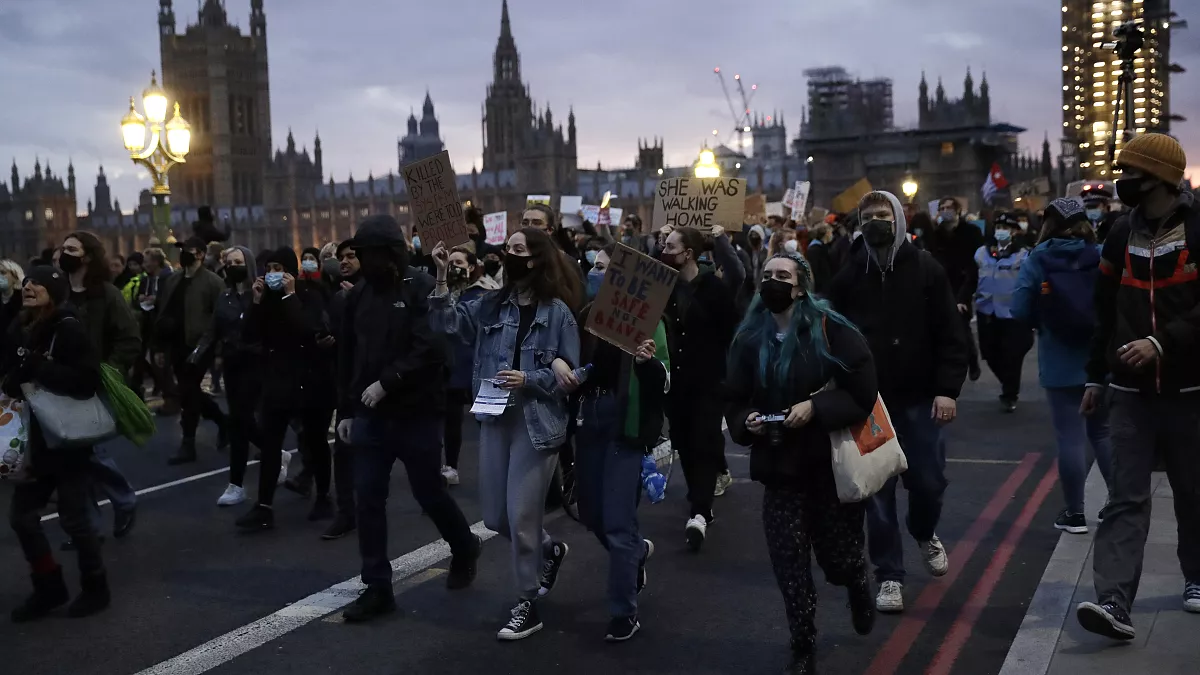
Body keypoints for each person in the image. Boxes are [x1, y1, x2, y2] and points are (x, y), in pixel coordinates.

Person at [727, 252, 877, 673]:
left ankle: (857, 581)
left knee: (838, 560)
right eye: (767, 275)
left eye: (783, 276)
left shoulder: (831, 330)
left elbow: (862, 391)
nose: (773, 282)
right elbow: (734, 397)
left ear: (800, 286)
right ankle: (803, 643)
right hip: (779, 468)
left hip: (828, 467)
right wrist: (744, 421)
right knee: (789, 562)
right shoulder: (749, 337)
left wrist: (815, 407)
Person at [1076, 133, 1200, 639]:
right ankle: (1114, 602)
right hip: (1129, 393)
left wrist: (1162, 342)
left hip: (1191, 391)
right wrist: (1094, 374)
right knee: (1125, 497)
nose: (1122, 181)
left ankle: (1196, 576)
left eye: (1132, 171)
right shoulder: (1118, 233)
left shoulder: (1199, 228)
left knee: (1193, 492)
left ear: (1161, 178)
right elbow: (1103, 311)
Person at [429, 227, 581, 641]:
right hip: (496, 418)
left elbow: (576, 372)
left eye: (516, 249)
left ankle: (526, 602)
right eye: (507, 248)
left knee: (522, 515)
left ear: (534, 259)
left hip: (538, 423)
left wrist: (530, 378)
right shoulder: (490, 306)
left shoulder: (558, 314)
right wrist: (442, 276)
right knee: (496, 517)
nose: (507, 254)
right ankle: (549, 550)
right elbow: (448, 327)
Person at [827, 190, 968, 614]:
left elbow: (951, 334)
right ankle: (889, 575)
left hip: (920, 397)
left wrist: (948, 388)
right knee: (878, 493)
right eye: (867, 216)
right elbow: (830, 329)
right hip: (870, 402)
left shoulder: (926, 269)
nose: (875, 222)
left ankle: (924, 531)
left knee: (928, 482)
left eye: (882, 215)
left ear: (899, 219)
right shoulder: (849, 274)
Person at [336, 215, 480, 622]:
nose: (363, 261)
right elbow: (348, 356)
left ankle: (464, 544)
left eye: (369, 254)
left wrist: (388, 382)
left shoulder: (420, 288)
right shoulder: (358, 297)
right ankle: (377, 585)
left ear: (390, 254)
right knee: (368, 497)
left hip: (415, 411)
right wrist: (346, 409)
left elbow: (430, 346)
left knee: (428, 492)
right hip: (371, 416)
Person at [573, 242, 668, 643]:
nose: (597, 274)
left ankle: (623, 611)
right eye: (593, 266)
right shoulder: (583, 317)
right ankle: (633, 554)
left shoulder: (650, 323)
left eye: (605, 269)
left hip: (622, 427)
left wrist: (646, 363)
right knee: (591, 514)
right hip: (588, 421)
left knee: (615, 522)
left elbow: (662, 382)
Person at [5, 266, 110, 620]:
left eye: (37, 282)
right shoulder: (24, 327)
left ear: (54, 289)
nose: (28, 286)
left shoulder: (68, 327)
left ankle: (96, 587)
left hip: (66, 440)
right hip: (34, 440)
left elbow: (86, 381)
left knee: (75, 519)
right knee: (21, 517)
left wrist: (36, 366)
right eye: (26, 282)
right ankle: (48, 585)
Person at [1011, 198, 1112, 535]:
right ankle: (1118, 504)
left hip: (1058, 360)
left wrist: (1045, 318)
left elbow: (1019, 309)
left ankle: (1075, 513)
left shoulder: (1038, 258)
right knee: (1102, 433)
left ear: (1048, 224)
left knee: (1070, 439)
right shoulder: (1099, 254)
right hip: (1099, 359)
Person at [234, 247, 336, 529]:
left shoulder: (308, 295)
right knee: (271, 445)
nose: (272, 274)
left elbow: (308, 329)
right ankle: (264, 506)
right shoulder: (265, 300)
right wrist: (255, 302)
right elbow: (249, 335)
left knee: (315, 441)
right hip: (277, 379)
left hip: (309, 378)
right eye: (269, 268)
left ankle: (324, 495)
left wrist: (290, 296)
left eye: (278, 268)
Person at [55, 233, 142, 544]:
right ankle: (88, 525)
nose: (63, 253)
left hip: (94, 383)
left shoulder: (106, 294)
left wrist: (109, 372)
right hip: (60, 383)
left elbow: (130, 338)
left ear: (88, 256)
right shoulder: (59, 292)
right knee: (72, 456)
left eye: (71, 249)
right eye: (62, 249)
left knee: (90, 451)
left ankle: (122, 501)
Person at [658, 226, 740, 550]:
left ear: (688, 253)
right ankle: (698, 497)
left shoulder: (714, 290)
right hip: (674, 383)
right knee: (683, 442)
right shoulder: (662, 288)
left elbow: (731, 332)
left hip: (707, 380)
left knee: (704, 440)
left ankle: (700, 511)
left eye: (670, 246)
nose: (665, 250)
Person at [194, 247, 264, 507]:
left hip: (256, 364)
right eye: (229, 261)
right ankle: (270, 456)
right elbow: (213, 330)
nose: (233, 266)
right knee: (239, 422)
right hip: (233, 366)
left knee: (239, 421)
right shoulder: (224, 297)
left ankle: (237, 483)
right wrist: (196, 355)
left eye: (238, 261)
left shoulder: (260, 293)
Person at [154, 236, 228, 464]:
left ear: (201, 254)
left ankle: (188, 444)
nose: (184, 252)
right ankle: (223, 422)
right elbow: (162, 313)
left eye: (190, 249)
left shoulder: (213, 282)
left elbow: (222, 318)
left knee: (187, 391)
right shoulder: (173, 280)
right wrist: (159, 347)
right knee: (190, 390)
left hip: (200, 345)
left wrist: (218, 351)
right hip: (176, 344)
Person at [442, 247, 501, 485]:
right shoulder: (443, 292)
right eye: (450, 262)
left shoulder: (485, 293)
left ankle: (494, 467)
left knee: (484, 420)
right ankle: (451, 466)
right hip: (452, 365)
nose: (454, 266)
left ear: (471, 266)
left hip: (477, 365)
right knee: (451, 420)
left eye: (458, 262)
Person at [973, 213, 1034, 412]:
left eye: (1005, 228)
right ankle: (1007, 381)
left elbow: (1030, 283)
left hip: (1012, 313)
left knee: (1012, 355)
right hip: (986, 311)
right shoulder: (982, 252)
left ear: (1015, 232)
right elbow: (972, 277)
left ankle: (1010, 393)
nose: (1000, 231)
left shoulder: (1023, 254)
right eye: (998, 226)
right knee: (990, 354)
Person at [322, 239, 362, 541]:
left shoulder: (382, 293)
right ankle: (347, 512)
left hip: (384, 386)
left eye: (350, 256)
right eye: (341, 257)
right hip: (348, 385)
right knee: (344, 451)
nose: (344, 261)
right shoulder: (338, 298)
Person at [924, 197, 984, 381]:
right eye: (941, 208)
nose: (944, 210)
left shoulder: (971, 231)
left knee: (961, 326)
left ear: (958, 210)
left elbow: (977, 261)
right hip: (942, 283)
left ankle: (972, 362)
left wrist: (964, 295)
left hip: (964, 282)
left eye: (948, 207)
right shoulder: (936, 234)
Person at [805, 224, 836, 295]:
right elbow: (815, 270)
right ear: (826, 234)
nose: (832, 235)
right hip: (819, 288)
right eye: (830, 232)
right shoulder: (815, 249)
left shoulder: (823, 246)